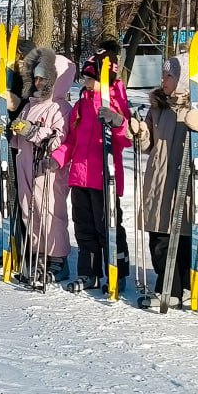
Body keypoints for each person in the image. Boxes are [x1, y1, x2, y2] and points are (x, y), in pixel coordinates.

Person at [129, 53, 198, 308]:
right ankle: (167, 287)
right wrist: (140, 133)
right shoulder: (159, 108)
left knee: (185, 235)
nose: (163, 79)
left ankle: (184, 285)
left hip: (187, 184)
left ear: (184, 77)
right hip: (159, 182)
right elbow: (149, 143)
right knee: (160, 236)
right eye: (163, 74)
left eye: (169, 74)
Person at [53, 51, 131, 290]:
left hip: (103, 178)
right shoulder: (81, 105)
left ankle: (116, 272)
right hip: (79, 177)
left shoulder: (115, 104)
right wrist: (57, 157)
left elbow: (126, 139)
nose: (86, 82)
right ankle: (89, 273)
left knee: (107, 227)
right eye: (85, 78)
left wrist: (117, 122)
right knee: (84, 227)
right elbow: (73, 140)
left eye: (91, 78)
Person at [9, 47, 74, 285]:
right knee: (30, 209)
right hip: (26, 163)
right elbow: (20, 130)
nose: (37, 83)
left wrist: (33, 132)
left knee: (49, 212)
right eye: (34, 78)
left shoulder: (61, 108)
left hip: (48, 170)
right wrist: (12, 130)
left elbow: (60, 137)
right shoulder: (30, 104)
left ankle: (57, 258)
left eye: (42, 79)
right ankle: (39, 255)